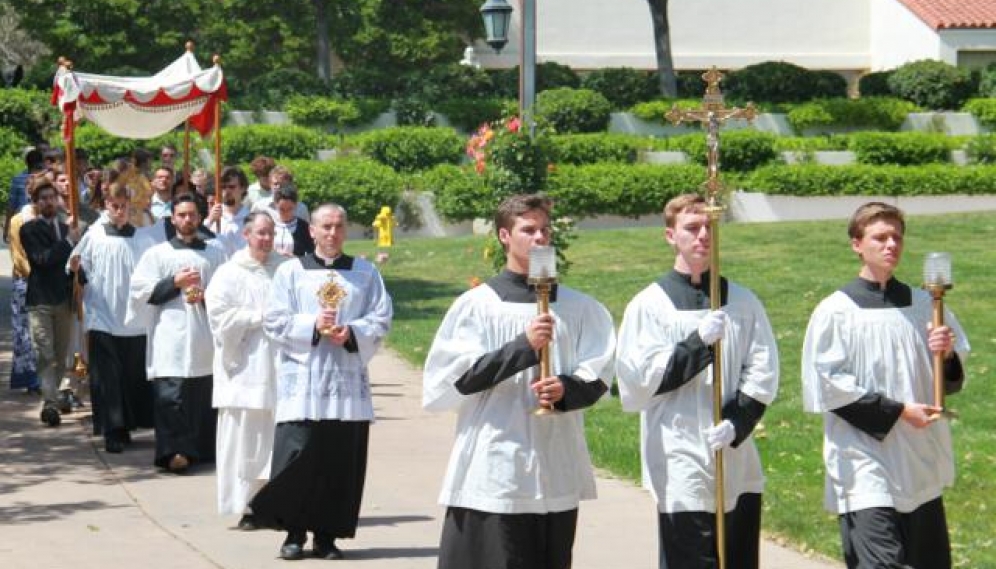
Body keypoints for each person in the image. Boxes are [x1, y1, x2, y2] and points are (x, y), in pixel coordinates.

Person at [423, 194, 616, 569]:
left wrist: (565, 389)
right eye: (528, 230)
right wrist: (522, 347)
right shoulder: (478, 305)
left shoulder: (579, 307)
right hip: (496, 458)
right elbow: (451, 379)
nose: (540, 238)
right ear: (504, 237)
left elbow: (600, 371)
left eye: (545, 230)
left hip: (554, 460)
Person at [614, 193, 779, 569]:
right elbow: (637, 381)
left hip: (733, 449)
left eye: (710, 227)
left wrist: (737, 423)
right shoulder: (650, 305)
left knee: (736, 556)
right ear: (670, 235)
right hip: (678, 448)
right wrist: (696, 343)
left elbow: (763, 369)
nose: (703, 235)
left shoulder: (742, 300)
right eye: (692, 227)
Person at [801, 202, 970, 569]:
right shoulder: (836, 311)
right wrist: (897, 411)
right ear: (856, 244)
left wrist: (947, 354)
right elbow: (827, 383)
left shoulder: (925, 304)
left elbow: (952, 379)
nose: (891, 244)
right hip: (863, 458)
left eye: (897, 236)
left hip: (918, 456)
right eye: (880, 237)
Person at [251, 204, 393, 561]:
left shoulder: (365, 272)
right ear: (311, 231)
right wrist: (312, 325)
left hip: (346, 385)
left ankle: (328, 535)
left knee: (339, 462)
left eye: (339, 226)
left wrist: (352, 332)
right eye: (325, 227)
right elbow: (275, 319)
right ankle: (294, 533)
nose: (332, 233)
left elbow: (381, 317)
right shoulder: (291, 272)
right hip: (304, 382)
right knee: (298, 457)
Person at [127, 194, 227, 472]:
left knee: (202, 396)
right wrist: (174, 282)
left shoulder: (215, 252)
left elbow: (227, 293)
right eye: (181, 215)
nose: (187, 220)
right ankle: (174, 452)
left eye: (192, 214)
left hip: (204, 336)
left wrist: (206, 296)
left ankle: (203, 449)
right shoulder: (157, 254)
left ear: (199, 217)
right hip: (170, 335)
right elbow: (141, 293)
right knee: (171, 397)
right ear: (173, 219)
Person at [205, 211, 285, 530]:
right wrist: (259, 316)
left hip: (279, 369)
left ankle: (276, 501)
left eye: (270, 233)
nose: (266, 240)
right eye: (260, 233)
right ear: (246, 235)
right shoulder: (228, 273)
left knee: (276, 436)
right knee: (244, 438)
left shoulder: (286, 270)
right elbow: (219, 318)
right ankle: (247, 505)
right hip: (244, 369)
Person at [69, 185, 156, 452]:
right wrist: (77, 269)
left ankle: (127, 425)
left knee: (130, 376)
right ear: (106, 205)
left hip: (133, 319)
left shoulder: (142, 239)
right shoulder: (94, 235)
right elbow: (78, 270)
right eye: (114, 206)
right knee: (108, 376)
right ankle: (112, 429)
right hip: (102, 315)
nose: (119, 212)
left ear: (130, 206)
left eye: (123, 206)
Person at [20, 179, 82, 424]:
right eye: (42, 198)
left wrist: (80, 274)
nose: (48, 202)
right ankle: (50, 403)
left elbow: (76, 265)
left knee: (61, 353)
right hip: (41, 300)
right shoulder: (30, 229)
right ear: (36, 204)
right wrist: (67, 243)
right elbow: (42, 259)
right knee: (44, 353)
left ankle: (53, 397)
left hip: (63, 298)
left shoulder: (69, 229)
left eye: (51, 197)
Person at [7, 177, 41, 394]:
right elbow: (18, 256)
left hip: (48, 282)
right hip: (26, 281)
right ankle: (30, 378)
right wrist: (38, 274)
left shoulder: (54, 218)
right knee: (25, 331)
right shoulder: (18, 220)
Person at [205, 166, 251, 256]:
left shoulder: (251, 219)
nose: (226, 191)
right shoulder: (214, 217)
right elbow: (197, 239)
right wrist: (209, 221)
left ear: (243, 188)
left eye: (231, 187)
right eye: (223, 187)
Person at [4, 148, 44, 243]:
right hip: (42, 222)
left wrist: (6, 229)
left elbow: (11, 206)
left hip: (21, 223)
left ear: (26, 162)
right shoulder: (47, 177)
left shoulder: (17, 179)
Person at [268, 187, 314, 257]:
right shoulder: (269, 225)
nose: (286, 213)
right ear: (275, 205)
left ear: (295, 205)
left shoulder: (304, 227)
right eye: (282, 209)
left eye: (290, 209)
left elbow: (312, 255)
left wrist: (294, 257)